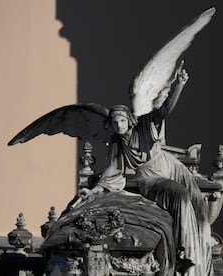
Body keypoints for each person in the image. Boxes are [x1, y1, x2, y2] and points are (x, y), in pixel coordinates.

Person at [78, 67, 213, 276]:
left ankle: (203, 257)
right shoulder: (116, 142)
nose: (118, 124)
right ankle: (187, 258)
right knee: (181, 197)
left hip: (174, 168)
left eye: (122, 120)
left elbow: (165, 110)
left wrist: (179, 85)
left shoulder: (144, 124)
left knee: (201, 210)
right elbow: (111, 173)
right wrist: (94, 191)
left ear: (129, 120)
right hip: (151, 178)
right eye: (114, 122)